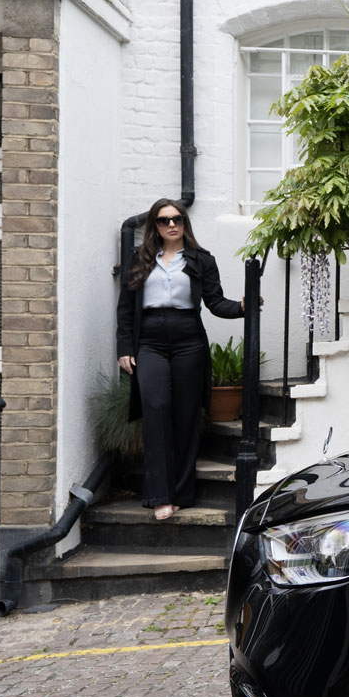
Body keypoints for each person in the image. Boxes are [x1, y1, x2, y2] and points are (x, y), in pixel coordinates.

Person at [115, 198, 256, 520]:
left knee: (185, 417)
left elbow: (215, 302)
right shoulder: (138, 259)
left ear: (184, 223)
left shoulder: (201, 260)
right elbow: (125, 309)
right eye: (164, 220)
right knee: (156, 411)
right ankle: (160, 494)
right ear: (155, 225)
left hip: (188, 339)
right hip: (148, 340)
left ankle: (180, 493)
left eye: (177, 219)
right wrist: (125, 347)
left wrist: (241, 308)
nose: (172, 225)